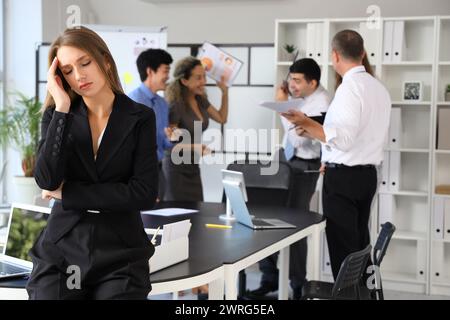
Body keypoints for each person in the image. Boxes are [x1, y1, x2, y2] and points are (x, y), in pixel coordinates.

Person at [27, 26, 158, 300]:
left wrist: (70, 193)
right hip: (63, 246)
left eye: (85, 63)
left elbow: (144, 193)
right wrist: (62, 106)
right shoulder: (57, 115)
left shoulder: (140, 117)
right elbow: (47, 180)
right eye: (67, 70)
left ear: (105, 60)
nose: (79, 75)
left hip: (121, 252)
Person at [281, 30, 391, 281]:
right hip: (366, 177)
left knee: (344, 254)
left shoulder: (349, 89)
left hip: (344, 181)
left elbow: (342, 138)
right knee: (358, 247)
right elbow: (360, 135)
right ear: (362, 53)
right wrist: (318, 139)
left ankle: (349, 296)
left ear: (334, 55)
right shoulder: (378, 88)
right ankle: (360, 295)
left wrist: (305, 122)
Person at [248, 58, 331, 300]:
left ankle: (297, 285)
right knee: (263, 215)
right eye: (290, 79)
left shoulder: (322, 102)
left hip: (304, 167)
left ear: (312, 82)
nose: (292, 85)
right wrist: (286, 107)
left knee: (295, 224)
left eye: (297, 80)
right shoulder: (301, 98)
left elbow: (299, 140)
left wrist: (282, 107)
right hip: (284, 161)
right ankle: (269, 276)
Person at [163, 56, 228, 202]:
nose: (203, 82)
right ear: (184, 81)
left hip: (192, 167)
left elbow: (221, 118)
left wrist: (224, 92)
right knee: (177, 215)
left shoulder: (200, 99)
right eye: (198, 78)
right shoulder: (176, 105)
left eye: (204, 77)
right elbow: (170, 145)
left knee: (197, 214)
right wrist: (196, 147)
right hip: (176, 169)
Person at [128, 49, 173, 200]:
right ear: (150, 71)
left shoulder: (162, 104)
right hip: (138, 174)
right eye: (165, 71)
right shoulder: (132, 101)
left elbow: (165, 144)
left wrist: (171, 138)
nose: (168, 77)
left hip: (159, 172)